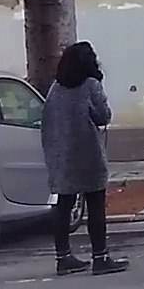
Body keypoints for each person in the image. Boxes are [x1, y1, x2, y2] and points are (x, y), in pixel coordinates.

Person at [40, 42, 129, 276]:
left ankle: (63, 257)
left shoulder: (56, 88)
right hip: (88, 152)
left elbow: (47, 119)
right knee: (95, 204)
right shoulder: (91, 85)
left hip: (61, 154)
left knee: (64, 204)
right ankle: (100, 257)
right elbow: (103, 116)